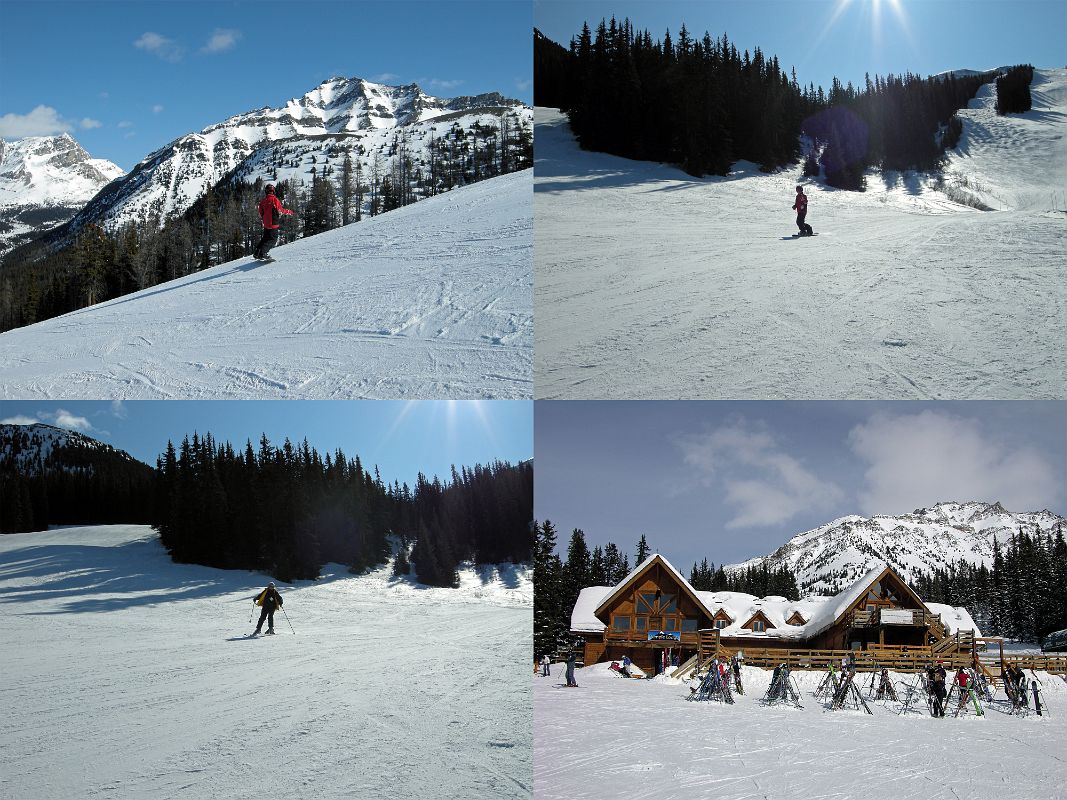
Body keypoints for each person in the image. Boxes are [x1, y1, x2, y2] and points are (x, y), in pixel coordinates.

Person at [254, 184, 293, 259]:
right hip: (273, 224)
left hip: (266, 224)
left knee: (265, 238)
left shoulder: (263, 201)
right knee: (273, 239)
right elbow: (281, 210)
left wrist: (265, 218)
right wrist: (289, 212)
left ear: (266, 191)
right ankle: (262, 253)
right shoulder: (275, 200)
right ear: (273, 191)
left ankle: (257, 252)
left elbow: (260, 213)